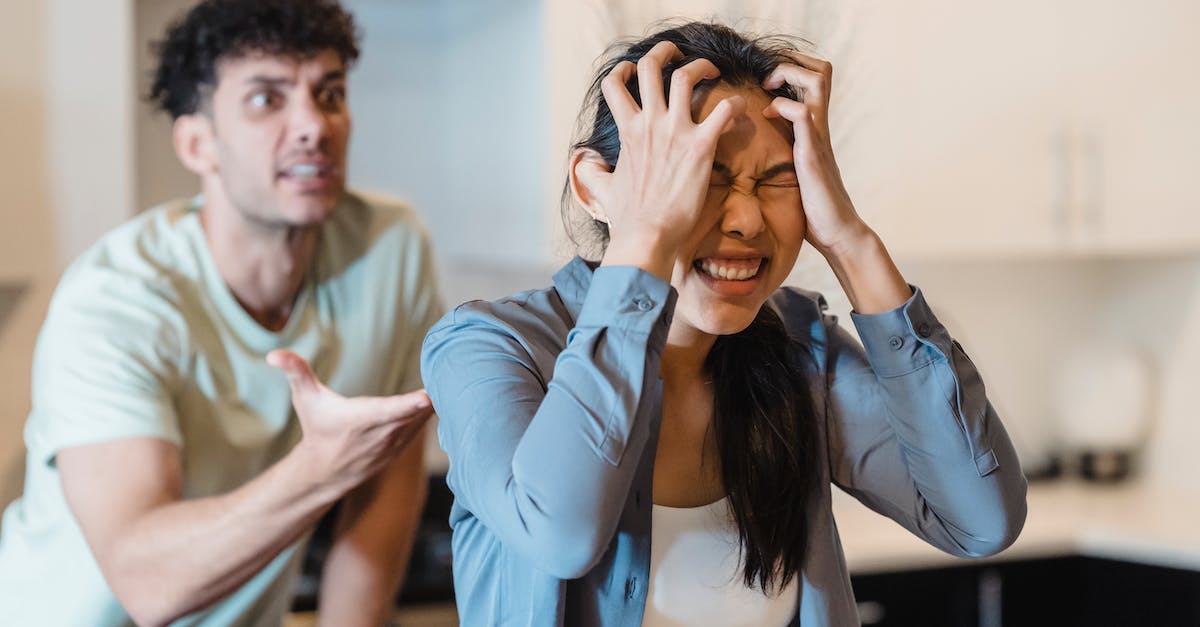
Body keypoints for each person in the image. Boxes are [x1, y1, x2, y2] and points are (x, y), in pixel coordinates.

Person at [421, 22, 1027, 626]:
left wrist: (850, 240)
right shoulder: (487, 348)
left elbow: (980, 520)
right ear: (593, 187)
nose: (744, 218)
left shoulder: (798, 349)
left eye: (777, 179)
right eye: (702, 175)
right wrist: (649, 238)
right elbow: (561, 535)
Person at [0, 1, 443, 625]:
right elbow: (146, 582)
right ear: (196, 143)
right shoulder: (116, 300)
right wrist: (320, 468)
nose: (313, 125)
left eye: (330, 94)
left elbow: (385, 496)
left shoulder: (391, 248)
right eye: (267, 100)